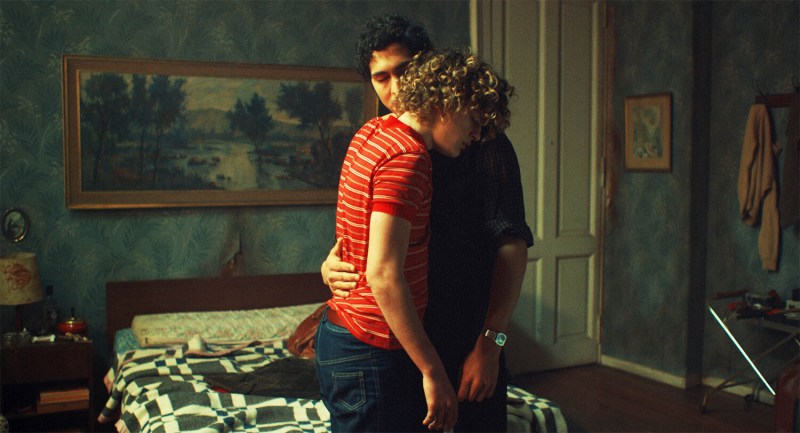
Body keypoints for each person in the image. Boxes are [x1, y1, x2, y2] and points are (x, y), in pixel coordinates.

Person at [321, 14, 533, 433]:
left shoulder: (481, 141)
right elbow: (371, 242)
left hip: (467, 329)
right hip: (405, 336)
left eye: (405, 71)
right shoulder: (386, 140)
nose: (396, 89)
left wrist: (492, 343)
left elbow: (512, 247)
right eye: (381, 78)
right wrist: (333, 264)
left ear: (431, 72)